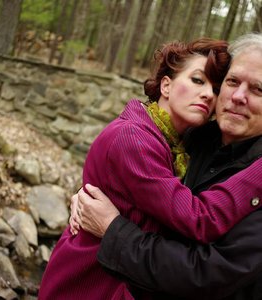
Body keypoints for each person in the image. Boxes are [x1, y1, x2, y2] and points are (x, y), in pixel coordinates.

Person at [39, 38, 262, 300]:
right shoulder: (185, 140)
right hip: (86, 283)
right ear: (166, 85)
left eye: (258, 89)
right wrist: (87, 194)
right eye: (232, 82)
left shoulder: (180, 140)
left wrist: (112, 227)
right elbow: (181, 209)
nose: (236, 97)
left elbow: (207, 273)